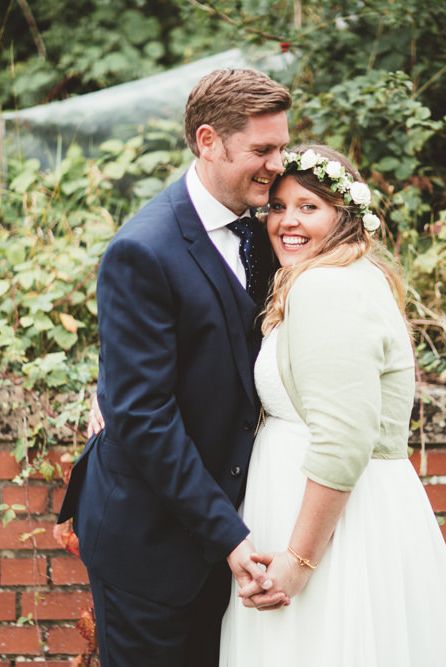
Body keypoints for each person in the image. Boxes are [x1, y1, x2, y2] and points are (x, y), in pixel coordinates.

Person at [55, 68, 293, 667]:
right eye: (262, 150)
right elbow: (143, 417)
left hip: (233, 534)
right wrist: (230, 536)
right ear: (208, 141)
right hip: (151, 545)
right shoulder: (143, 250)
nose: (277, 163)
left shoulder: (272, 229)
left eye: (283, 145)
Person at [219, 145, 446, 666]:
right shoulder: (346, 275)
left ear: (343, 217)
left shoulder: (327, 288)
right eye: (277, 206)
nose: (287, 221)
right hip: (320, 509)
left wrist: (298, 562)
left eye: (308, 207)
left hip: (329, 527)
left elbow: (343, 439)